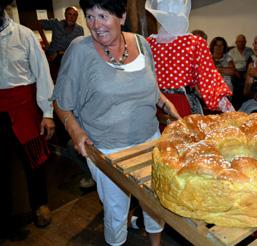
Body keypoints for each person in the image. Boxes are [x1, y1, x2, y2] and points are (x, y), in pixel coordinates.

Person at [52, 0, 180, 245]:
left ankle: (155, 243)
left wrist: (164, 103)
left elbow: (150, 86)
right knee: (116, 212)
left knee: (155, 202)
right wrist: (75, 131)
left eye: (103, 16)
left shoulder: (142, 44)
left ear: (121, 17)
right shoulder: (80, 50)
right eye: (89, 17)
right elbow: (61, 102)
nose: (95, 25)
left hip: (150, 141)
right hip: (108, 150)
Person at [0, 0, 55, 238]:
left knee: (34, 159)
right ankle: (4, 218)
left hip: (24, 107)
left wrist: (47, 113)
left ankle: (40, 203)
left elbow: (42, 73)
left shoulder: (23, 35)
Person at [145, 0, 233, 118]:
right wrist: (232, 113)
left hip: (156, 107)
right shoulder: (194, 43)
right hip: (182, 104)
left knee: (161, 136)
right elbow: (209, 82)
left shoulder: (147, 43)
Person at [38, 6, 84, 80]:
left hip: (69, 58)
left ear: (77, 17)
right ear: (65, 15)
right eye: (69, 14)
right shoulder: (56, 24)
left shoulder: (79, 29)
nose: (72, 17)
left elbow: (79, 46)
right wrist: (45, 42)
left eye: (74, 15)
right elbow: (39, 23)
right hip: (55, 56)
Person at [227, 34, 254, 109]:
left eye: (243, 41)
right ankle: (236, 103)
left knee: (249, 80)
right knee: (236, 81)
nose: (241, 43)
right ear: (236, 42)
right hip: (236, 71)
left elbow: (252, 62)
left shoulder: (249, 50)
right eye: (239, 41)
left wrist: (248, 73)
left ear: (245, 42)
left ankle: (246, 101)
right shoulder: (231, 52)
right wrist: (236, 72)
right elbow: (230, 64)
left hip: (247, 71)